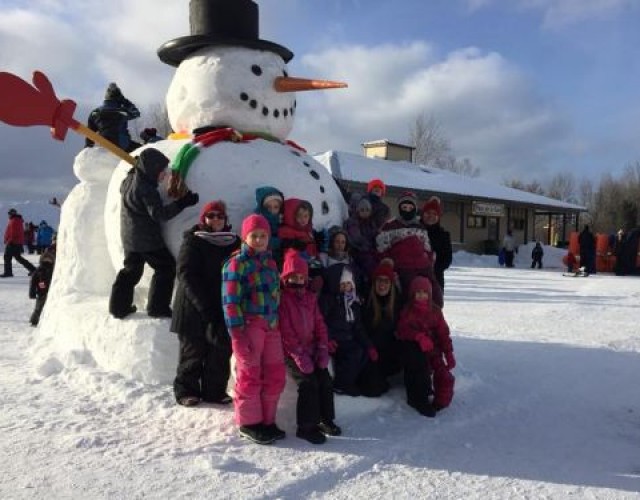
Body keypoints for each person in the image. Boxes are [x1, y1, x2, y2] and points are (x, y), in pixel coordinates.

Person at [108, 148, 199, 319]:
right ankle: (158, 308)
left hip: (129, 238)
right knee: (165, 267)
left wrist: (134, 169)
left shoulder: (130, 180)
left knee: (130, 271)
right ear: (150, 170)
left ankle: (118, 307)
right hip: (146, 240)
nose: (164, 175)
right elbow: (159, 214)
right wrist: (183, 203)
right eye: (161, 172)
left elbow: (122, 187)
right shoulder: (146, 189)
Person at [222, 214, 286, 445]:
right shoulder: (236, 263)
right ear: (245, 237)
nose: (259, 240)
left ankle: (267, 421)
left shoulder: (270, 263)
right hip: (249, 326)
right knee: (249, 375)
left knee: (275, 373)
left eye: (263, 236)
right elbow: (230, 302)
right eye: (254, 236)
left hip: (271, 325)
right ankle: (249, 423)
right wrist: (237, 335)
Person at [171, 200, 241, 407]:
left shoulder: (233, 242)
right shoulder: (193, 241)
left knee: (219, 350)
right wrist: (204, 306)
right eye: (211, 216)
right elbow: (186, 274)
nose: (216, 220)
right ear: (204, 219)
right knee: (193, 350)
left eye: (220, 216)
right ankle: (186, 390)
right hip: (193, 306)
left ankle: (214, 391)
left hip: (222, 305)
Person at [279, 250, 342, 444]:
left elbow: (320, 324)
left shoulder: (310, 298)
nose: (298, 280)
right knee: (308, 383)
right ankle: (306, 426)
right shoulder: (284, 300)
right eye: (294, 276)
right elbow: (286, 332)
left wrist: (322, 347)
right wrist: (299, 355)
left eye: (301, 276)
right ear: (287, 277)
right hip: (292, 352)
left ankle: (325, 419)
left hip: (312, 348)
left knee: (325, 379)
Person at [396, 276, 455, 417]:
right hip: (416, 351)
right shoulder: (408, 311)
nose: (421, 295)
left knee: (444, 376)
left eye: (424, 292)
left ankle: (440, 402)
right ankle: (419, 399)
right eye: (418, 292)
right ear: (412, 294)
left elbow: (443, 334)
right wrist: (418, 336)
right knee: (419, 371)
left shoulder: (435, 311)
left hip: (434, 351)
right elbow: (402, 330)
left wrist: (448, 353)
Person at [376, 191, 443, 308]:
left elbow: (427, 247)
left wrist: (429, 258)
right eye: (404, 207)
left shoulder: (419, 227)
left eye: (410, 207)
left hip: (423, 266)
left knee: (434, 293)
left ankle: (432, 319)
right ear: (399, 208)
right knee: (407, 297)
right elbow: (381, 248)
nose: (407, 210)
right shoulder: (390, 226)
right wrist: (388, 263)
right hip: (402, 267)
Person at [319, 266, 373, 396]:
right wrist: (328, 338)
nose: (345, 287)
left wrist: (369, 344)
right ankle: (342, 384)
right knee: (355, 352)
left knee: (364, 352)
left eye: (348, 284)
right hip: (336, 339)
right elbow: (322, 321)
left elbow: (358, 326)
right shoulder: (330, 300)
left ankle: (352, 380)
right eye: (342, 284)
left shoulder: (353, 302)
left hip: (349, 337)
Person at [359, 258, 402, 397]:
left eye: (385, 281)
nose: (382, 285)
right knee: (372, 389)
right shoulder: (366, 301)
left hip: (389, 350)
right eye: (379, 281)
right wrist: (369, 346)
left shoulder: (397, 301)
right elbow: (360, 327)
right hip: (370, 349)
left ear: (390, 283)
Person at [85, 82, 141, 153]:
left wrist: (87, 149)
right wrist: (125, 101)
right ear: (119, 98)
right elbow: (136, 113)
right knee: (144, 149)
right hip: (123, 146)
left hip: (104, 147)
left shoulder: (95, 113)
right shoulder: (122, 111)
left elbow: (89, 135)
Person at [344, 196, 378, 294]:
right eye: (362, 210)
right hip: (356, 252)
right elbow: (356, 239)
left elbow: (375, 236)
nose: (364, 212)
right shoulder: (352, 222)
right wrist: (369, 245)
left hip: (369, 252)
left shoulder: (371, 223)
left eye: (367, 210)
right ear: (357, 211)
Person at [420, 196, 452, 292]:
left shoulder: (443, 235)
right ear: (423, 214)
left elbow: (446, 260)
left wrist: (433, 268)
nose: (431, 216)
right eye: (428, 213)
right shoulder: (414, 230)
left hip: (435, 279)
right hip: (415, 278)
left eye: (435, 213)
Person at [254, 186, 284, 265]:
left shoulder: (281, 219)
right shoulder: (259, 220)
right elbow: (264, 240)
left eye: (276, 207)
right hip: (264, 258)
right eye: (268, 207)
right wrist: (282, 242)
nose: (272, 210)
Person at [2, 208, 36, 278]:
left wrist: (10, 240)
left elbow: (14, 232)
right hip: (16, 242)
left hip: (13, 242)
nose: (8, 215)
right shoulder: (16, 220)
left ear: (12, 214)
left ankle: (8, 272)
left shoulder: (14, 220)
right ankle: (33, 269)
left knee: (7, 257)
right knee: (18, 257)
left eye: (9, 213)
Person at [28, 246, 56, 326]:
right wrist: (32, 293)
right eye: (45, 259)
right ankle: (34, 320)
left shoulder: (54, 270)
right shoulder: (39, 270)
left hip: (51, 292)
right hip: (42, 292)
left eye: (49, 260)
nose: (47, 261)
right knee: (39, 307)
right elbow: (33, 282)